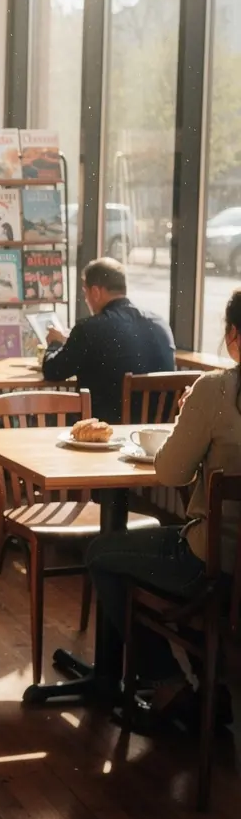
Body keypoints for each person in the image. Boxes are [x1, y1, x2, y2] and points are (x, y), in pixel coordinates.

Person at [85, 290, 241, 725]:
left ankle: (170, 682)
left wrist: (186, 419)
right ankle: (210, 683)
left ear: (233, 336)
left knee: (102, 555)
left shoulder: (217, 390)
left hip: (216, 564)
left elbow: (171, 472)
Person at [42, 257, 175, 424]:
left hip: (104, 434)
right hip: (155, 433)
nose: (86, 299)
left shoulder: (88, 329)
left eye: (86, 292)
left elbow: (52, 371)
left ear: (96, 292)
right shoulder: (159, 324)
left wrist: (55, 343)